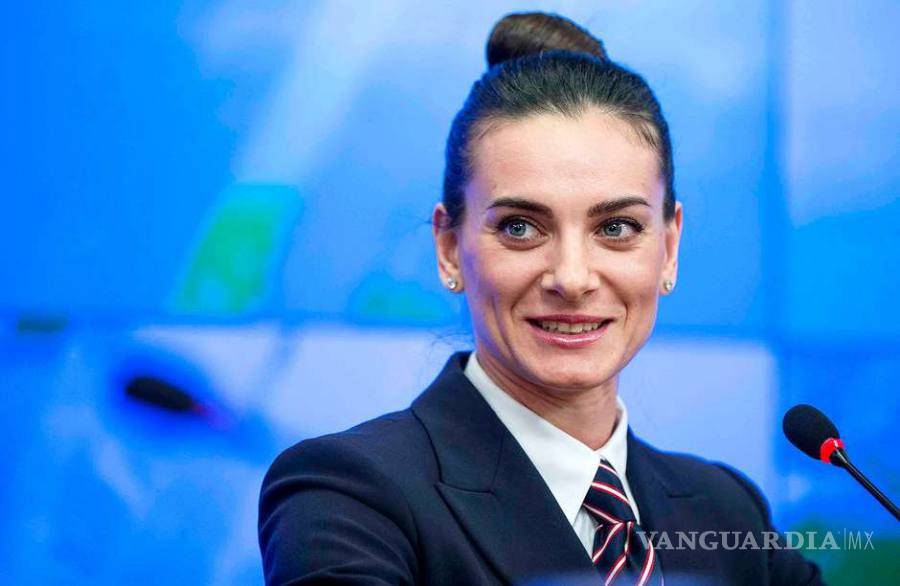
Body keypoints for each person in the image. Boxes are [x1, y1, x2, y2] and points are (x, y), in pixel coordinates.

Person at [259, 12, 823, 585]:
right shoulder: (348, 494)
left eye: (617, 228)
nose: (572, 278)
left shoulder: (727, 512)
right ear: (449, 248)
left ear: (669, 248)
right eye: (521, 228)